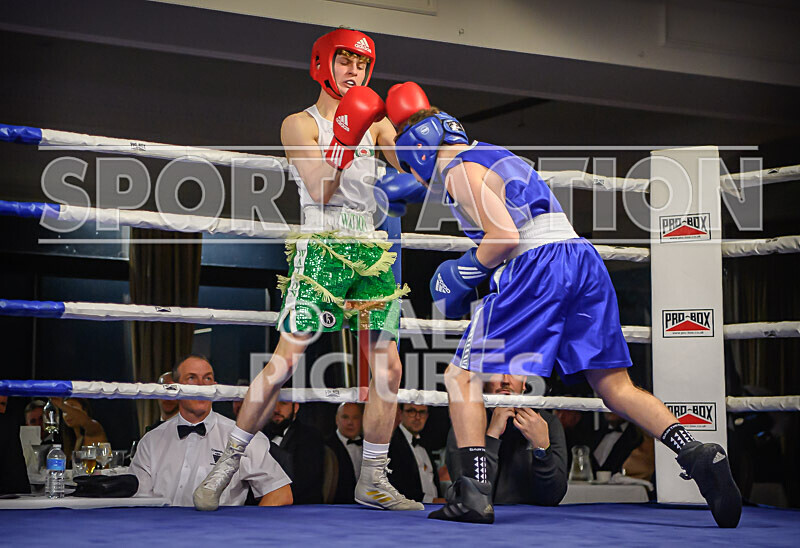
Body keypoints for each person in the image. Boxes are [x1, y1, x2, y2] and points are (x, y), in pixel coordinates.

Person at [383, 83, 742, 527]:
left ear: (420, 149)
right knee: (615, 386)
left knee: (462, 374)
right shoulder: (492, 153)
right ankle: (696, 450)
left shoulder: (457, 170)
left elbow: (504, 237)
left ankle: (473, 492)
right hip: (580, 259)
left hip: (536, 263)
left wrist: (464, 270)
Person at [194, 27, 423, 512]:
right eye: (345, 62)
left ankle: (373, 479)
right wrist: (345, 139)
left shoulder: (377, 121)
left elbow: (410, 171)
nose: (353, 72)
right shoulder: (299, 124)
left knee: (390, 367)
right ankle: (226, 464)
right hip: (322, 245)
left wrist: (424, 131)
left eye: (361, 65)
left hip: (371, 250)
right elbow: (320, 188)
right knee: (285, 360)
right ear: (323, 64)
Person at [130, 355, 292, 507]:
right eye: (192, 378)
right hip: (161, 532)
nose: (202, 385)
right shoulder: (151, 440)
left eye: (207, 378)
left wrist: (246, 529)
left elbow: (280, 493)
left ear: (215, 386)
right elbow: (138, 499)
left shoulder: (242, 436)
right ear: (175, 388)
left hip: (219, 533)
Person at [446, 374, 568, 506]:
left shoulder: (545, 423)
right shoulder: (465, 424)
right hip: (482, 522)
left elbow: (553, 497)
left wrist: (542, 447)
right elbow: (468, 496)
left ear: (524, 381)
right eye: (497, 372)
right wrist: (492, 435)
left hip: (533, 522)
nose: (505, 380)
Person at [263, 401, 325, 504]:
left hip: (300, 509)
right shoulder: (258, 434)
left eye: (283, 403)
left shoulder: (311, 437)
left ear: (295, 407)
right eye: (272, 403)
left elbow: (302, 484)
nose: (276, 409)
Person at [387, 404, 441, 503]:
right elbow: (395, 486)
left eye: (422, 412)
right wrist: (433, 501)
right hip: (408, 513)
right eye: (411, 411)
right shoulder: (391, 444)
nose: (417, 417)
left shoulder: (424, 443)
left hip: (432, 511)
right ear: (400, 413)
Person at [325, 402, 364, 504]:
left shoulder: (371, 446)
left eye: (355, 417)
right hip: (338, 509)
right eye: (345, 417)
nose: (350, 422)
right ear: (336, 419)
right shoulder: (325, 447)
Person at [51, 396, 108, 462]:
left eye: (72, 407)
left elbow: (84, 420)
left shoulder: (94, 429)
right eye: (64, 411)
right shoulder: (71, 439)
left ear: (85, 410)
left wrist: (61, 405)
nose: (67, 414)